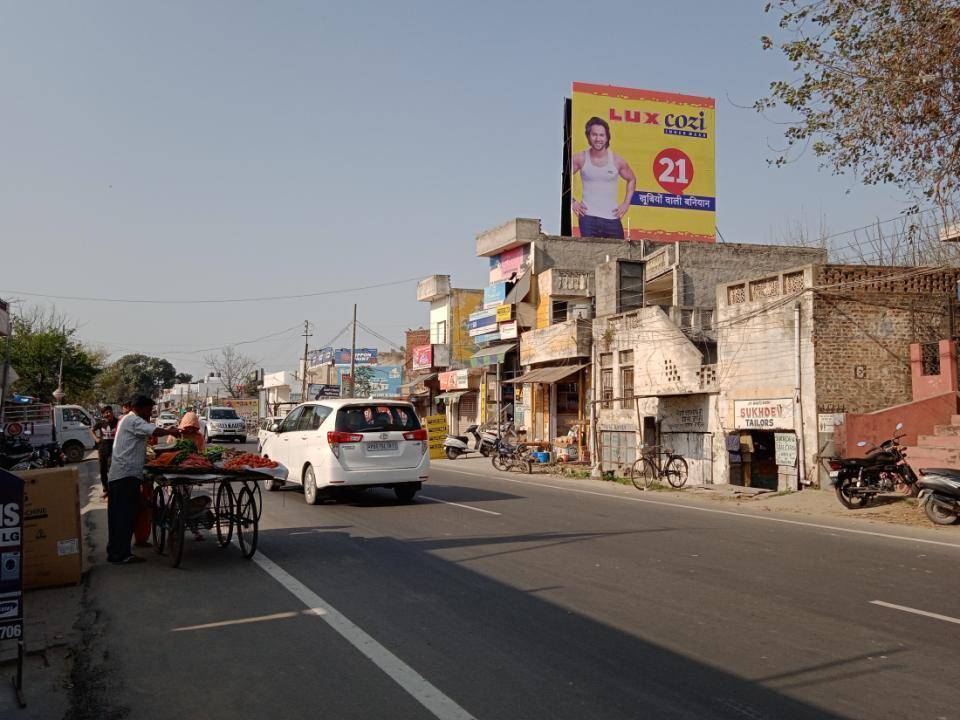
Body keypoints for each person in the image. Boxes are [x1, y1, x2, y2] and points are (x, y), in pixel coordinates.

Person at [107, 395, 180, 565]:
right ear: (139, 408)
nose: (150, 413)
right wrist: (171, 431)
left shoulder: (128, 420)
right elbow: (153, 431)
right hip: (125, 475)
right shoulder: (133, 420)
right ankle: (121, 554)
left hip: (123, 475)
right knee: (124, 516)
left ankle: (115, 551)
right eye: (149, 409)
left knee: (119, 516)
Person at [570, 116, 636, 239]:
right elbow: (563, 179)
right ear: (588, 136)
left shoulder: (617, 160)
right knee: (591, 255)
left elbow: (632, 179)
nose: (598, 139)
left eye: (601, 135)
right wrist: (572, 201)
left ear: (607, 137)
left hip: (612, 219)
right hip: (588, 219)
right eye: (594, 135)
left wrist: (626, 203)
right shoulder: (580, 158)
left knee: (619, 255)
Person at [93, 406, 119, 498]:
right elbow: (91, 430)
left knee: (111, 469)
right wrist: (95, 438)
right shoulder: (101, 422)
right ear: (103, 415)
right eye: (105, 413)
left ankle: (113, 489)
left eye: (109, 412)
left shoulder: (118, 422)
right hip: (102, 450)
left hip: (114, 450)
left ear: (112, 412)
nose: (108, 414)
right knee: (102, 470)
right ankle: (106, 490)